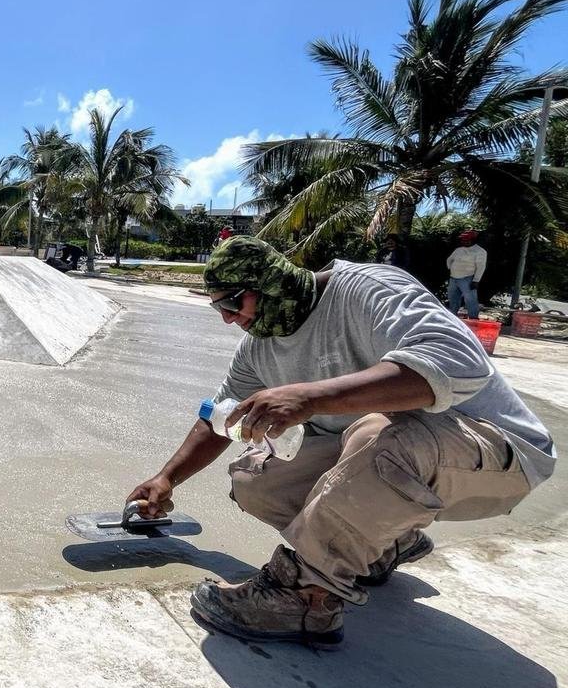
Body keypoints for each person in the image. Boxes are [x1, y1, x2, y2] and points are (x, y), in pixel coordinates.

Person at [126, 236, 555, 647]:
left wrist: (311, 397)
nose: (227, 318)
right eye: (217, 306)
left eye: (232, 303)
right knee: (256, 480)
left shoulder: (369, 289)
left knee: (377, 434)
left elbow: (459, 361)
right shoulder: (259, 349)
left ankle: (306, 598)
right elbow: (223, 415)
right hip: (397, 454)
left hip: (497, 452)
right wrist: (166, 478)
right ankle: (385, 545)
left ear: (270, 284)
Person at [446, 230, 487, 319]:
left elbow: (481, 267)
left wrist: (476, 280)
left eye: (467, 240)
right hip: (453, 278)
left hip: (467, 278)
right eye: (463, 240)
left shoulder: (480, 251)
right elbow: (449, 260)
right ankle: (452, 318)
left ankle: (473, 318)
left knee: (470, 300)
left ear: (473, 240)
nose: (464, 241)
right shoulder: (458, 250)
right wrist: (451, 269)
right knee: (453, 299)